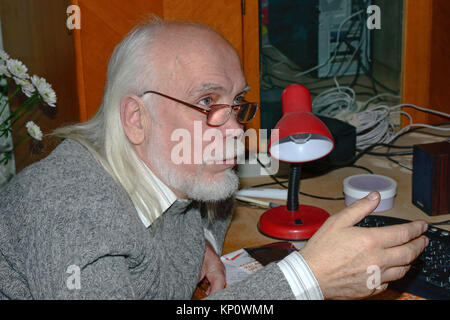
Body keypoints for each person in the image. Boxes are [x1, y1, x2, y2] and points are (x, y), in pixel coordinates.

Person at [0, 18, 429, 300]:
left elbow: (217, 195)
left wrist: (200, 235)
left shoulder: (167, 167)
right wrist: (306, 278)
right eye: (207, 101)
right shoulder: (70, 211)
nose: (235, 130)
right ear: (136, 118)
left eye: (237, 102)